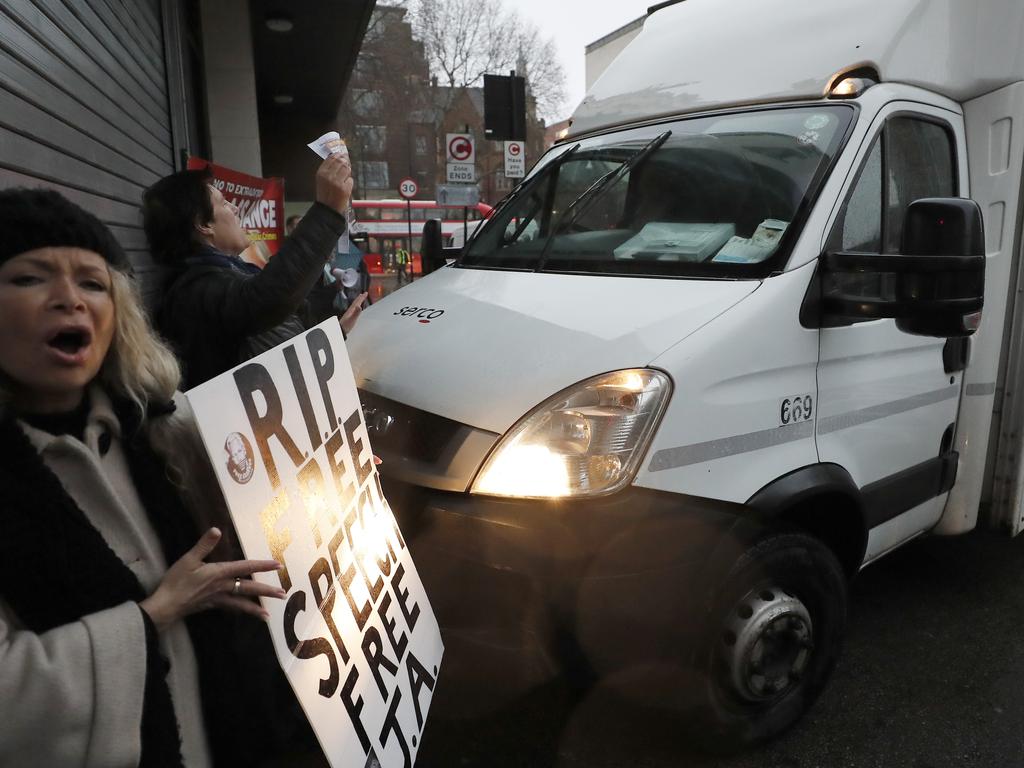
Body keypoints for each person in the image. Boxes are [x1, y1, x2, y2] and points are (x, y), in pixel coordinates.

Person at [0, 187, 322, 766]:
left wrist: (327, 475)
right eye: (30, 278)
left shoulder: (164, 427)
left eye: (93, 283)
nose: (69, 300)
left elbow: (268, 498)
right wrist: (152, 617)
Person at [142, 156, 367, 389]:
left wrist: (336, 332)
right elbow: (266, 299)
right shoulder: (193, 292)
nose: (235, 208)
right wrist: (327, 212)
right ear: (203, 224)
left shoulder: (230, 274)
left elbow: (280, 353)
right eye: (224, 203)